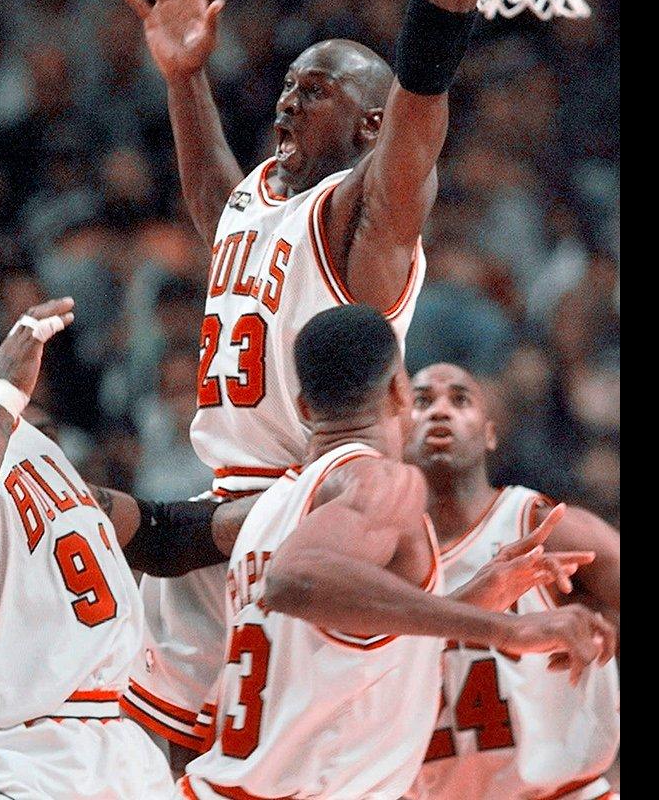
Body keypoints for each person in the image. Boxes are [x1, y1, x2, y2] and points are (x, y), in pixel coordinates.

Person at [115, 0, 540, 763]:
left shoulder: (371, 215)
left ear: (369, 127)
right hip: (219, 506)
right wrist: (185, 80)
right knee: (149, 754)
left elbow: (428, 74)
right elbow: (216, 204)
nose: (287, 99)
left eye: (314, 91)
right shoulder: (266, 200)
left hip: (313, 506)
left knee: (315, 763)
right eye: (290, 85)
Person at [179, 304, 612, 800]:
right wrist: (507, 627)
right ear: (398, 393)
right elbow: (295, 580)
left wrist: (470, 599)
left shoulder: (269, 507)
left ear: (303, 407)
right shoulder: (386, 479)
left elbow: (345, 640)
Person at [0, 302, 258, 798]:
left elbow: (158, 533)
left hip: (118, 745)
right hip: (20, 756)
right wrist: (5, 397)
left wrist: (294, 500)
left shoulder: (22, 437)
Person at [403, 362, 622, 800]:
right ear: (396, 432)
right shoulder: (378, 559)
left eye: (460, 399)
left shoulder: (540, 525)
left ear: (489, 433)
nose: (440, 411)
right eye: (422, 400)